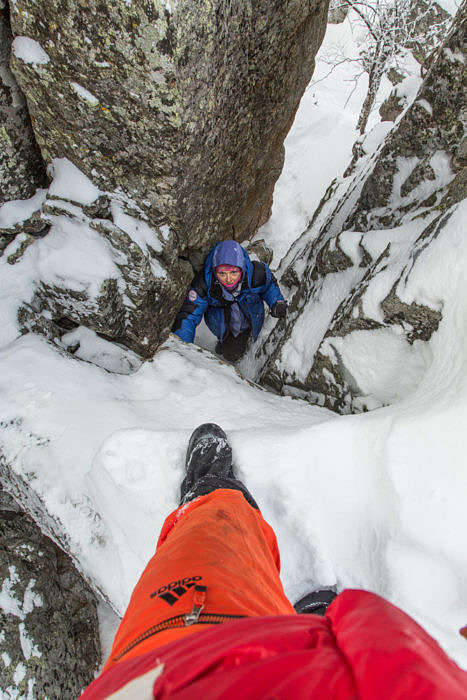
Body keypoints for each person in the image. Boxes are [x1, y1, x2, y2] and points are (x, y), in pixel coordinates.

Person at [81, 424, 467, 699]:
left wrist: (339, 627)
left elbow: (375, 624)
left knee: (214, 542)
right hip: (168, 667)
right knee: (243, 585)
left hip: (170, 664)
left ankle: (213, 492)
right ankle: (307, 633)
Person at [172, 240, 287, 362]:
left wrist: (277, 302)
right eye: (222, 273)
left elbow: (269, 286)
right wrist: (183, 350)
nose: (228, 279)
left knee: (233, 353)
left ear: (241, 269)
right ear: (215, 271)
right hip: (223, 325)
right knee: (229, 353)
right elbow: (189, 316)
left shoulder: (256, 274)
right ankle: (224, 341)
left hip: (250, 318)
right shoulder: (205, 284)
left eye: (233, 272)